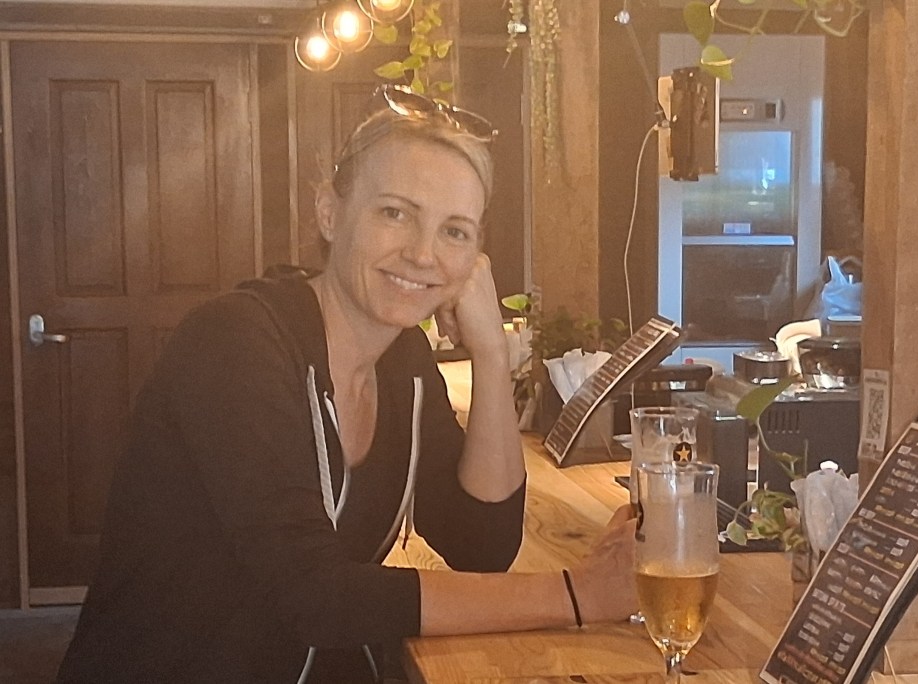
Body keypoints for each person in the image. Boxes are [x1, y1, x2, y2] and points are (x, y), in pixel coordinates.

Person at [57, 84, 637, 683]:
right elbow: (312, 595)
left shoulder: (403, 361)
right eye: (395, 213)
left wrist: (491, 354)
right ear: (330, 213)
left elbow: (480, 547)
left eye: (455, 231)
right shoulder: (234, 343)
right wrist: (578, 594)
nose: (423, 254)